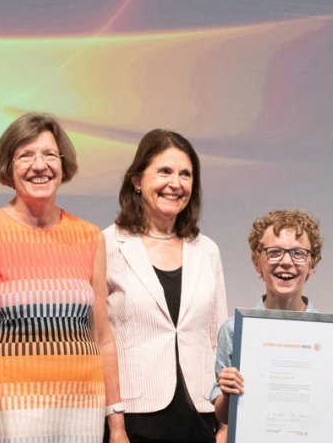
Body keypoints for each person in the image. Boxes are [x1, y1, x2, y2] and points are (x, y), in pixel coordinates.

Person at [0, 113, 126, 443]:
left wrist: (117, 424)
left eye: (50, 155)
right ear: (8, 168)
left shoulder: (90, 236)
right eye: (26, 155)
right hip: (11, 409)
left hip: (83, 408)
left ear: (64, 165)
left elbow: (103, 337)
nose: (40, 166)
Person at [104, 129, 228, 443]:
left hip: (201, 415)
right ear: (136, 180)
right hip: (135, 417)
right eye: (164, 172)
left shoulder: (207, 249)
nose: (176, 184)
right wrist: (115, 426)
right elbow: (99, 341)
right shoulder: (107, 244)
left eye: (186, 175)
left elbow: (220, 339)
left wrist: (226, 423)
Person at [209, 209, 333, 428]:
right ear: (256, 261)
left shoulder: (331, 336)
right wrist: (227, 390)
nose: (286, 262)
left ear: (312, 264)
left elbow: (327, 416)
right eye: (274, 252)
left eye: (298, 253)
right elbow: (223, 415)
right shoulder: (234, 330)